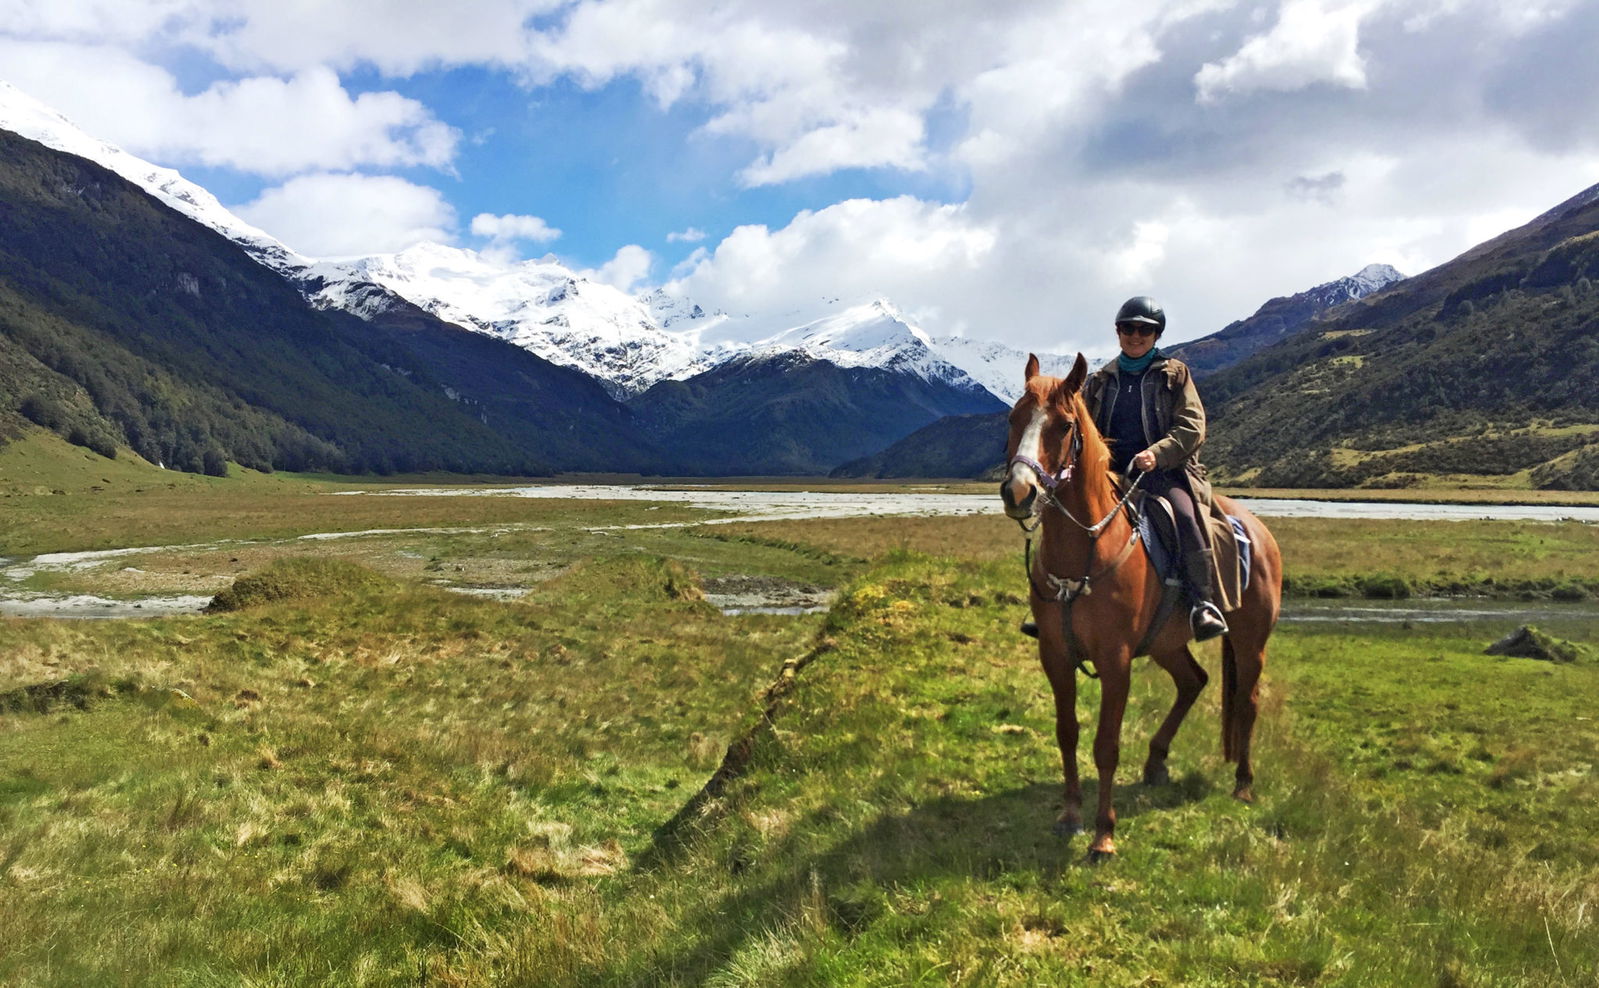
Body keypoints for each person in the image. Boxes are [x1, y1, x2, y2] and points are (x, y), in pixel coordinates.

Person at [1083, 295, 1228, 641]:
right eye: (1128, 328)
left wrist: (1157, 454)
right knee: (1067, 514)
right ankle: (1055, 599)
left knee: (1186, 516)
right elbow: (1085, 428)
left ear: (1156, 335)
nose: (1136, 335)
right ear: (1117, 332)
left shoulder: (1174, 374)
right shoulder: (1100, 381)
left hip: (1164, 472)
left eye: (1145, 330)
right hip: (1111, 474)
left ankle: (1202, 603)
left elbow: (1193, 426)